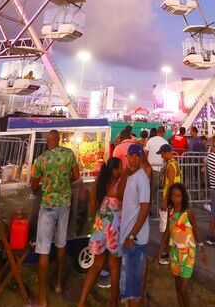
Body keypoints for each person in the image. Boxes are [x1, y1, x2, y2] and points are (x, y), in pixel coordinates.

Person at [30, 129, 79, 306]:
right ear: (58, 140)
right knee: (61, 243)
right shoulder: (69, 154)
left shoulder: (42, 159)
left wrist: (41, 186)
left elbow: (33, 184)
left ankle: (42, 298)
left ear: (47, 141)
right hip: (65, 203)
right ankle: (58, 283)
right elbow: (76, 176)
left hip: (48, 205)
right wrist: (64, 183)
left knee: (43, 248)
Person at [77, 158, 124, 307]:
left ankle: (82, 301)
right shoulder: (118, 184)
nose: (122, 170)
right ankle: (113, 303)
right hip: (114, 227)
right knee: (115, 267)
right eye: (121, 167)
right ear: (115, 170)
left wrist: (95, 218)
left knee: (96, 266)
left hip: (99, 224)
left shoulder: (99, 182)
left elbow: (92, 203)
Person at [156, 183, 206, 307]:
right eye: (173, 195)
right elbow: (167, 232)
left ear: (183, 197)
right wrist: (159, 254)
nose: (175, 198)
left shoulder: (188, 212)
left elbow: (195, 230)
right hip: (174, 252)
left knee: (183, 288)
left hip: (188, 253)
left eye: (178, 196)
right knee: (178, 287)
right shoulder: (170, 211)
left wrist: (202, 248)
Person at [119, 144, 151, 306]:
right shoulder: (131, 176)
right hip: (128, 236)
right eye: (131, 155)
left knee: (133, 288)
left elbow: (145, 207)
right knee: (129, 285)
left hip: (135, 238)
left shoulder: (141, 177)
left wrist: (132, 235)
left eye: (137, 156)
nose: (133, 158)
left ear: (141, 158)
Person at [157, 144, 181, 264]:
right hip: (174, 198)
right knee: (171, 227)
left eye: (162, 153)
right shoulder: (174, 163)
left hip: (170, 199)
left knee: (166, 227)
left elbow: (170, 184)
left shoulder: (170, 165)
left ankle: (168, 253)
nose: (161, 156)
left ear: (167, 152)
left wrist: (165, 200)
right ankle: (169, 252)